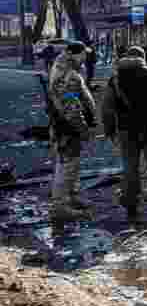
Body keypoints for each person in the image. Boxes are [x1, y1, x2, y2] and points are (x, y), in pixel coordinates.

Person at [102, 45, 147, 221]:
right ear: (143, 58)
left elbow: (107, 108)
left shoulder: (115, 78)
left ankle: (132, 206)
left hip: (126, 130)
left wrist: (109, 131)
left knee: (130, 168)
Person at [47, 41, 98, 222]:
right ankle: (60, 207)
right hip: (68, 128)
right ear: (71, 53)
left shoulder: (66, 69)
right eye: (82, 54)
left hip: (66, 126)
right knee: (67, 165)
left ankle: (70, 198)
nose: (85, 57)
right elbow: (71, 107)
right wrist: (83, 129)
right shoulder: (68, 75)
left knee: (72, 164)